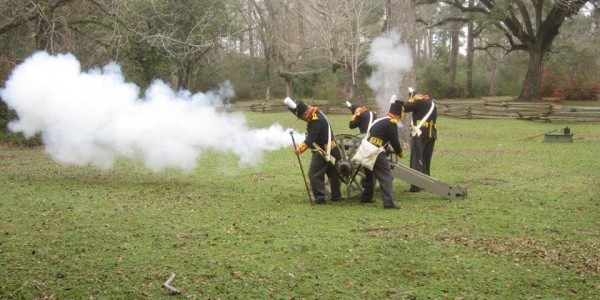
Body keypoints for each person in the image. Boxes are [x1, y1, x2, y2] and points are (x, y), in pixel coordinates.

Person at [284, 97, 342, 204]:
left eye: (301, 117)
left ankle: (320, 199)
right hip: (332, 150)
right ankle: (336, 196)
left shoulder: (315, 120)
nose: (303, 119)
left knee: (314, 174)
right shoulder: (318, 113)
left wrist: (300, 149)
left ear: (305, 114)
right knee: (332, 174)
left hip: (323, 152)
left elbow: (311, 139)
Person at [360, 97, 404, 209]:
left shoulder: (380, 120)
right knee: (386, 176)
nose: (399, 119)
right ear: (398, 115)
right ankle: (388, 203)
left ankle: (366, 198)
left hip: (366, 149)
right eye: (400, 116)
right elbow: (394, 140)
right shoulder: (391, 123)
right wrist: (399, 152)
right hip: (376, 152)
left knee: (370, 175)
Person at [402, 88, 437, 192]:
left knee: (416, 159)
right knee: (425, 159)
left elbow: (405, 107)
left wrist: (411, 99)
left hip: (419, 134)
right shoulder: (431, 102)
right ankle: (425, 182)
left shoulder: (419, 102)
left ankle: (416, 186)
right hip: (431, 134)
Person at [346, 101, 377, 203]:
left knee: (363, 162)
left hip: (364, 141)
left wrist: (355, 115)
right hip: (374, 141)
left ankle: (365, 184)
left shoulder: (360, 114)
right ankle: (365, 183)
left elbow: (351, 125)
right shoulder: (373, 113)